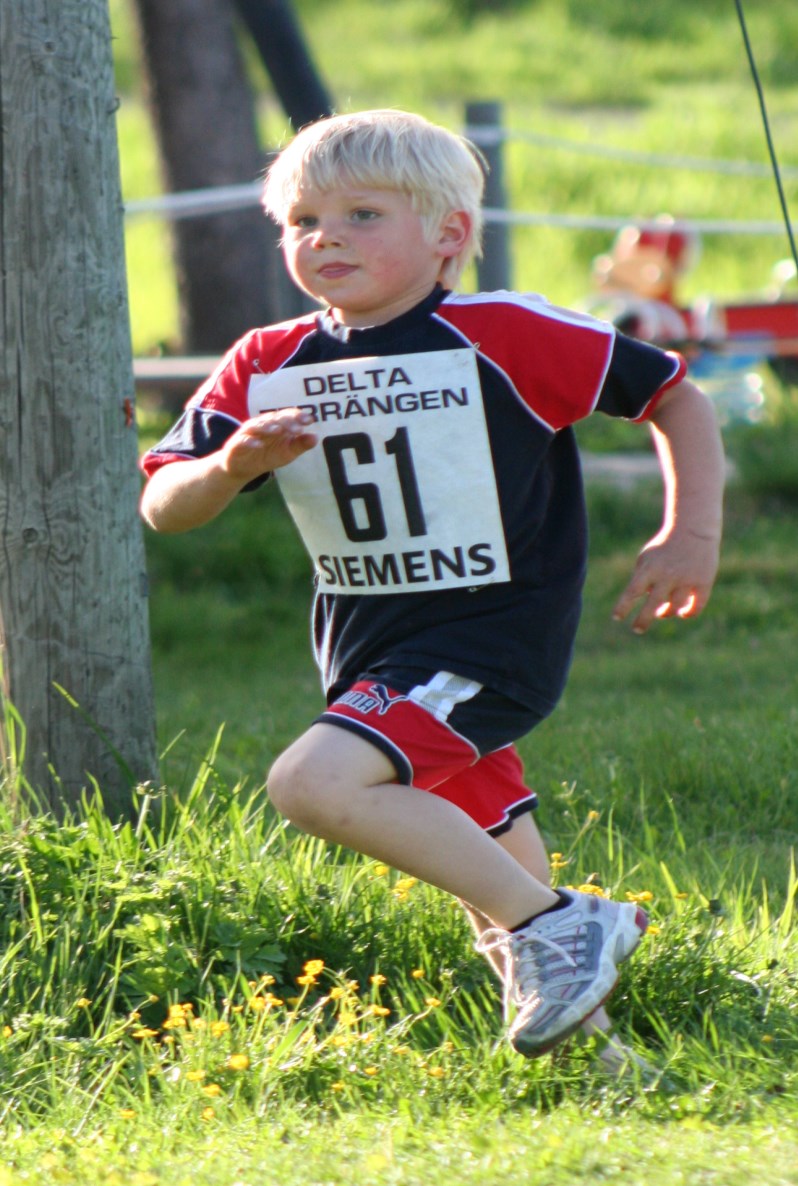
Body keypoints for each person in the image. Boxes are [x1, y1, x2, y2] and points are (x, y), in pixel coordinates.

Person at [139, 109, 724, 1062]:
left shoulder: (507, 332)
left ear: (449, 234)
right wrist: (232, 464)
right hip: (369, 651)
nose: (325, 237)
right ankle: (601, 1068)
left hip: (486, 643)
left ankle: (568, 924)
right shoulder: (267, 360)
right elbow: (165, 505)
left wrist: (690, 535)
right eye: (302, 221)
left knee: (312, 784)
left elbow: (673, 394)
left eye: (363, 215)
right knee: (493, 877)